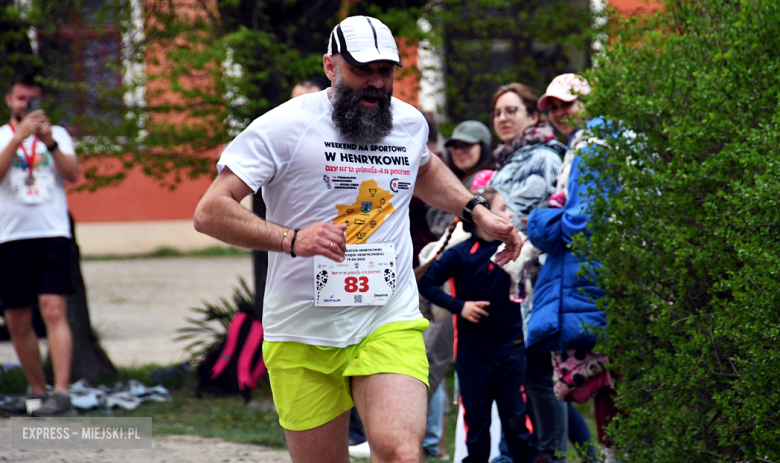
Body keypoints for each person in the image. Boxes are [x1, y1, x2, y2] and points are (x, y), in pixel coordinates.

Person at [193, 15, 521, 463]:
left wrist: (474, 210)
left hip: (386, 317)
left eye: (385, 71)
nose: (375, 82)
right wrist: (292, 239)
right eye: (361, 69)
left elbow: (424, 169)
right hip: (301, 329)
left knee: (401, 453)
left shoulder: (408, 123)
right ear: (330, 66)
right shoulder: (282, 126)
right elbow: (210, 211)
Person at [418, 188, 536, 463]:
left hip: (511, 351)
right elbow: (426, 283)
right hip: (473, 356)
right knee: (477, 428)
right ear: (483, 216)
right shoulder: (460, 254)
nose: (509, 214)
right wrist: (460, 306)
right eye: (503, 208)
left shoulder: (513, 248)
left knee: (517, 424)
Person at [487, 83, 568, 463]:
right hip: (509, 280)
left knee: (539, 375)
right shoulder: (509, 159)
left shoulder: (543, 157)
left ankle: (552, 455)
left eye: (511, 110)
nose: (503, 118)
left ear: (533, 116)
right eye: (497, 112)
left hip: (536, 280)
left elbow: (524, 218)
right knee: (525, 376)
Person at [0, 74, 79, 417]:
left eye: (32, 99)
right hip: (11, 236)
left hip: (52, 234)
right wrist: (18, 139)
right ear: (9, 100)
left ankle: (61, 393)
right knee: (17, 318)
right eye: (21, 98)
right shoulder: (3, 136)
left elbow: (73, 174)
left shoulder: (57, 134)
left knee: (54, 310)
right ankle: (36, 391)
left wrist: (50, 144)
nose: (26, 104)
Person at [426, 120, 495, 237]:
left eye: (466, 145)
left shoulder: (485, 179)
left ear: (483, 147)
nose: (459, 151)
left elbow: (447, 226)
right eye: (455, 146)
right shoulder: (456, 180)